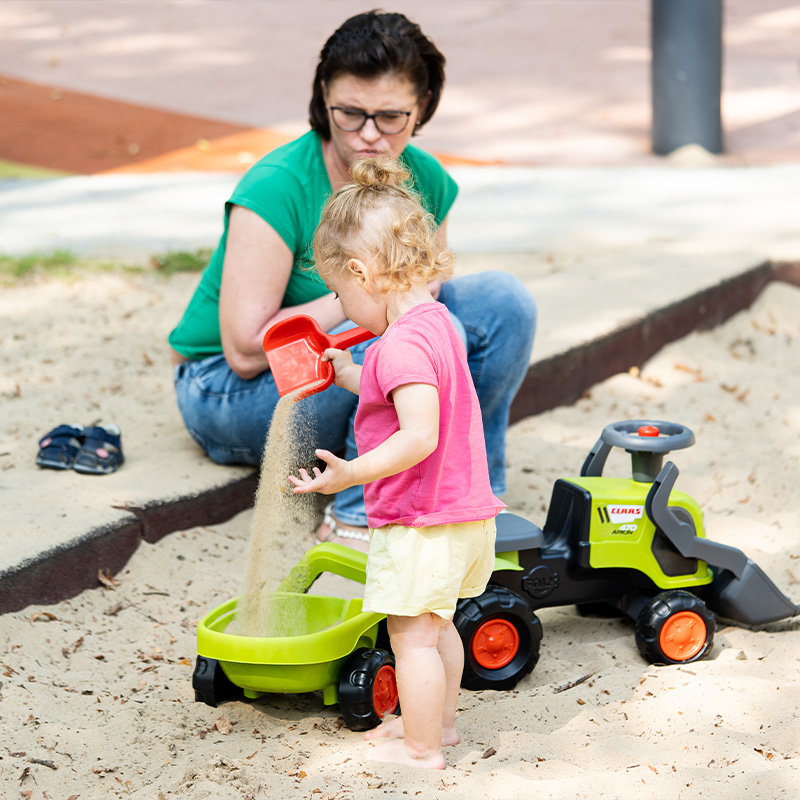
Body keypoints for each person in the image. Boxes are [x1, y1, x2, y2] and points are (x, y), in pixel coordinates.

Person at [168, 10, 536, 545]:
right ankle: (360, 517)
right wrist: (360, 295)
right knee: (393, 340)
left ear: (423, 107)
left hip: (347, 359)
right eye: (349, 113)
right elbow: (245, 351)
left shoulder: (425, 177)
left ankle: (470, 501)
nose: (369, 136)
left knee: (503, 304)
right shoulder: (277, 187)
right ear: (324, 98)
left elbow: (426, 291)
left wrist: (393, 302)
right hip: (226, 389)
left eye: (390, 117)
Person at [289, 156, 503, 769]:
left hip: (421, 520)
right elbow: (399, 385)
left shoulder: (402, 344)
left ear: (361, 272)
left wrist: (351, 473)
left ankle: (421, 749)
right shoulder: (435, 324)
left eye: (338, 291)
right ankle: (440, 725)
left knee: (410, 638)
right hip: (464, 516)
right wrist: (347, 372)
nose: (341, 302)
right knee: (441, 628)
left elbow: (418, 436)